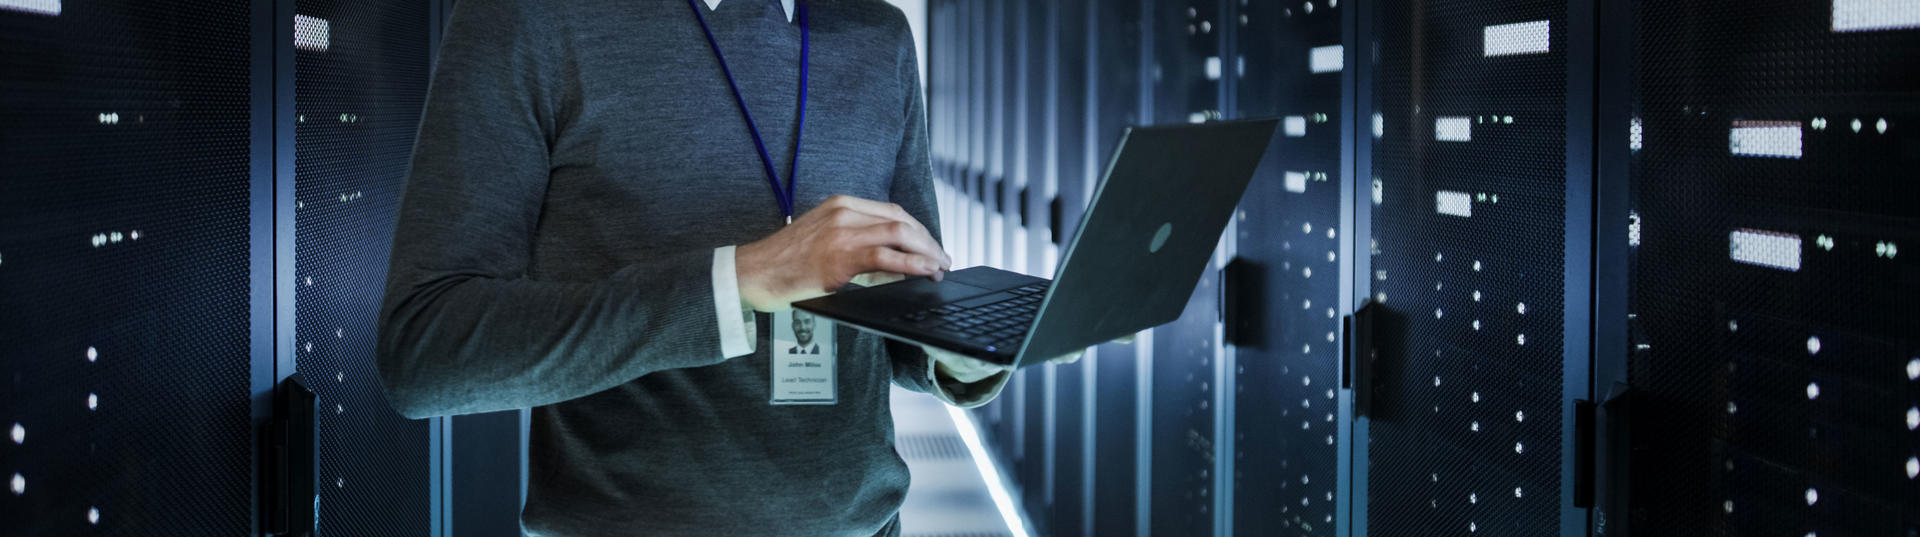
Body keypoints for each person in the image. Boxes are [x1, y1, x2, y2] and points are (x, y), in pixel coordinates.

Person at [372, 0, 1074, 536]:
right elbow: (426, 350)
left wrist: (973, 350)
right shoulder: (529, 19)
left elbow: (901, 316)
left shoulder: (879, 37)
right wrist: (741, 280)